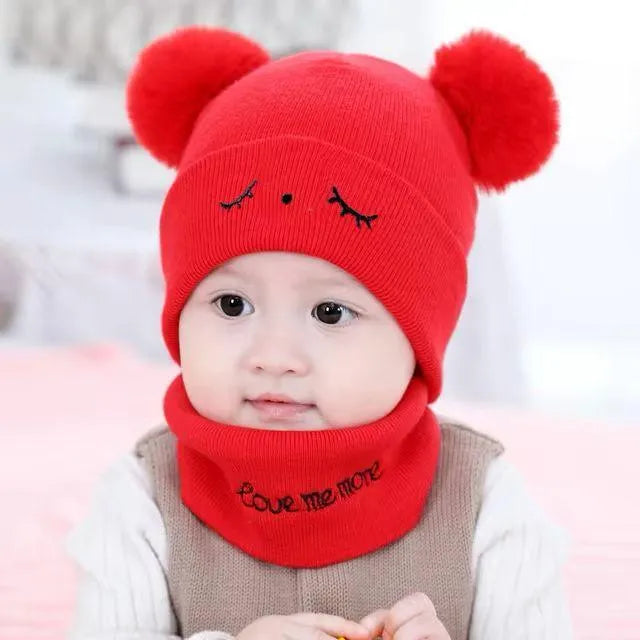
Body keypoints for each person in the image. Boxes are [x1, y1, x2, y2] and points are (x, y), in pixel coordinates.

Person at [65, 25, 573, 640]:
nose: (274, 357)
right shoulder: (142, 498)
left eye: (330, 313)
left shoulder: (485, 502)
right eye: (231, 304)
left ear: (420, 338)